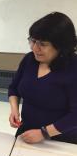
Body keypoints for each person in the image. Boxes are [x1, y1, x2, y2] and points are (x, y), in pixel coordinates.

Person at [8, 12, 77, 144]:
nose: (35, 48)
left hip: (60, 140)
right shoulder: (29, 59)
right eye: (33, 41)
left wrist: (44, 132)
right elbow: (14, 88)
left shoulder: (73, 68)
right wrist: (14, 109)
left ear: (60, 46)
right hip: (27, 132)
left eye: (42, 44)